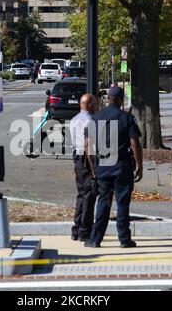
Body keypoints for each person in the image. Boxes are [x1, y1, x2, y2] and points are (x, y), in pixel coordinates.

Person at [84, 87, 143, 248]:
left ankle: (96, 239)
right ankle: (124, 239)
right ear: (121, 99)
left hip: (103, 165)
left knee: (103, 202)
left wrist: (93, 168)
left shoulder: (95, 118)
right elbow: (135, 143)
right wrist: (140, 165)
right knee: (123, 204)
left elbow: (88, 146)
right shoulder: (127, 118)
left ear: (108, 98)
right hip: (122, 165)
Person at [69, 94, 98, 242]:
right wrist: (93, 168)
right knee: (89, 194)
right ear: (91, 105)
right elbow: (89, 146)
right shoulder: (90, 120)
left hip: (77, 156)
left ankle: (77, 228)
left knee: (81, 193)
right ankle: (84, 230)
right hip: (86, 157)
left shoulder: (74, 120)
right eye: (96, 104)